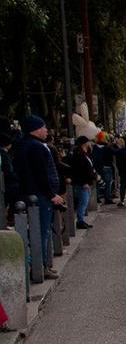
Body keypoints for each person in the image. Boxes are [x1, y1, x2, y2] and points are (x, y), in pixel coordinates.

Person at [13, 115, 65, 280]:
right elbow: (41, 174)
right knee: (42, 231)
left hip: (31, 194)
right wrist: (51, 194)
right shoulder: (36, 147)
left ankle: (40, 265)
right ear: (35, 129)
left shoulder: (23, 145)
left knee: (39, 231)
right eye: (43, 127)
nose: (46, 130)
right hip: (40, 196)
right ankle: (40, 266)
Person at [67, 136, 98, 230]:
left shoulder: (85, 153)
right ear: (84, 143)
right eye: (88, 141)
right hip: (82, 183)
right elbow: (79, 170)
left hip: (86, 181)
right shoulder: (79, 154)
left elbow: (89, 167)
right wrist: (84, 182)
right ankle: (80, 221)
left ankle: (81, 220)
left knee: (84, 201)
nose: (90, 143)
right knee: (83, 202)